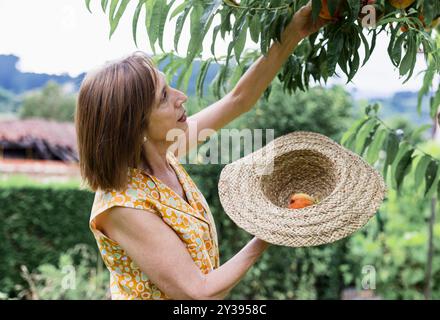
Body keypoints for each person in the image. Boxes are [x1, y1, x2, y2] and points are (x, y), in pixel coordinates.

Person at [75, 1, 327, 300]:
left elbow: (238, 100)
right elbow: (198, 292)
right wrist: (272, 229)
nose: (181, 97)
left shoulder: (164, 152)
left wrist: (294, 32)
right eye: (164, 97)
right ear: (135, 125)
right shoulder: (123, 205)